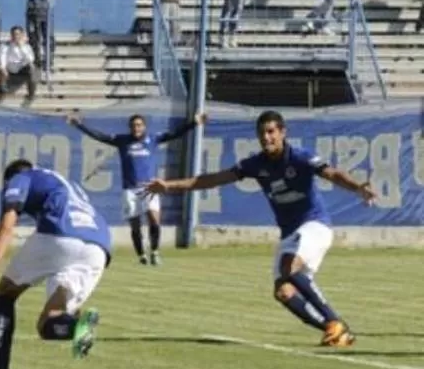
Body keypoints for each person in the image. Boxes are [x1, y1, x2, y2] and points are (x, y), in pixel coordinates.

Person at [146, 110, 374, 347]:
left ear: (282, 133)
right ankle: (336, 331)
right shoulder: (255, 164)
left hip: (315, 225)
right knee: (283, 292)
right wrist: (169, 185)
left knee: (289, 265)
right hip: (290, 234)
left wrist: (358, 188)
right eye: (261, 133)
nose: (266, 138)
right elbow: (212, 179)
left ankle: (334, 320)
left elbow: (332, 173)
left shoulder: (299, 157)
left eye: (271, 132)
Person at [0, 160, 110, 369]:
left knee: (5, 293)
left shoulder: (21, 177)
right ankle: (76, 328)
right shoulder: (67, 184)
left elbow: (6, 226)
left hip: (60, 236)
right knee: (49, 324)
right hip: (99, 248)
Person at [67, 112, 207, 265]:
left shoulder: (153, 139)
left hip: (150, 187)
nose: (136, 128)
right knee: (135, 225)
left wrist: (194, 123)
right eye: (134, 125)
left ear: (144, 126)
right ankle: (141, 255)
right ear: (130, 127)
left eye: (139, 125)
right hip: (130, 189)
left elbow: (175, 134)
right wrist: (79, 125)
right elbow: (100, 136)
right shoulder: (122, 141)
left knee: (154, 219)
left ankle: (154, 251)